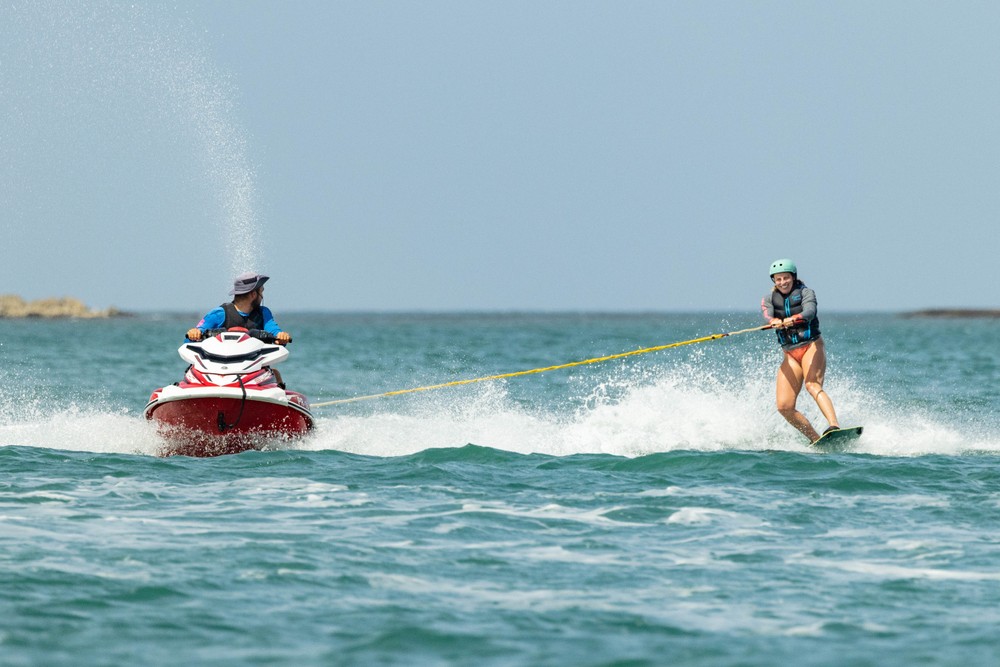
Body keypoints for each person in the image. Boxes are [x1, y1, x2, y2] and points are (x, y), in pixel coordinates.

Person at [760, 259, 839, 443]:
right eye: (778, 279)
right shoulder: (768, 299)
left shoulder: (806, 293)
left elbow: (810, 311)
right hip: (790, 353)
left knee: (812, 385)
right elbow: (767, 315)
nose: (782, 282)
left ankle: (834, 425)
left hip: (811, 345)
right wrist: (773, 322)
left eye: (786, 278)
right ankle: (815, 439)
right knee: (784, 406)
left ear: (793, 277)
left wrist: (795, 318)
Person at [186, 272, 292, 386]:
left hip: (253, 370)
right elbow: (196, 333)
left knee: (275, 373)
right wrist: (195, 333)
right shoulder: (219, 313)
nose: (262, 296)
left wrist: (281, 336)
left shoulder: (263, 313)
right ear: (253, 294)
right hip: (217, 369)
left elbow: (273, 329)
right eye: (261, 292)